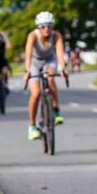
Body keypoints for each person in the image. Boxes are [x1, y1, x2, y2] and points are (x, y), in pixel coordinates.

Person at [23, 12, 67, 140]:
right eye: (43, 26)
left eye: (49, 26)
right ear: (38, 27)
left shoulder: (56, 36)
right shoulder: (32, 36)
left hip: (49, 60)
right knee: (36, 93)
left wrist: (63, 69)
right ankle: (31, 126)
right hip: (35, 63)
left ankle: (56, 110)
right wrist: (27, 71)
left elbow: (59, 53)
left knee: (51, 78)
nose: (46, 29)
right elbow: (28, 55)